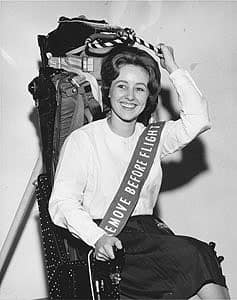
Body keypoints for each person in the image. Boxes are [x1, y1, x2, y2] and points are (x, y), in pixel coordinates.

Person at [49, 44, 230, 299]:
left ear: (148, 97)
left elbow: (198, 120)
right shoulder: (83, 140)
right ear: (108, 89)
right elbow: (62, 203)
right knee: (195, 254)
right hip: (110, 242)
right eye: (122, 85)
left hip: (152, 236)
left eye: (140, 88)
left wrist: (173, 69)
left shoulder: (153, 137)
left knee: (202, 254)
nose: (130, 96)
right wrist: (98, 238)